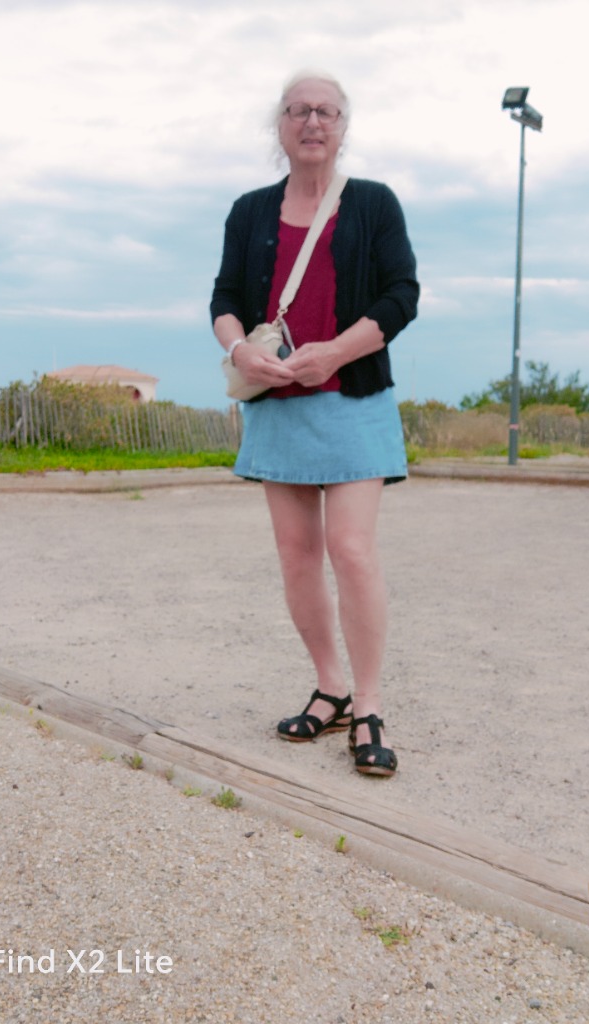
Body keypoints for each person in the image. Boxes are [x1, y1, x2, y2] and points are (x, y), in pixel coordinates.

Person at [210, 70, 419, 777]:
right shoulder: (249, 211)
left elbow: (401, 296)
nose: (312, 122)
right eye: (298, 110)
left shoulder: (374, 203)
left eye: (326, 111)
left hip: (353, 399)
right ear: (280, 125)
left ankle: (369, 705)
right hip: (277, 407)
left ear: (343, 126)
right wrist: (241, 351)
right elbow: (225, 298)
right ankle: (330, 687)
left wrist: (333, 352)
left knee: (351, 550)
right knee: (297, 555)